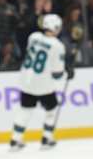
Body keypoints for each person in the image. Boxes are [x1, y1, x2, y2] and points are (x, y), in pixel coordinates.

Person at [9, 14, 74, 151]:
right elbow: (57, 75)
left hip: (26, 80)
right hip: (43, 85)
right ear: (56, 27)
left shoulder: (33, 37)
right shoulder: (57, 45)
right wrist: (67, 73)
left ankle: (16, 138)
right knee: (52, 109)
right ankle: (47, 137)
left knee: (25, 109)